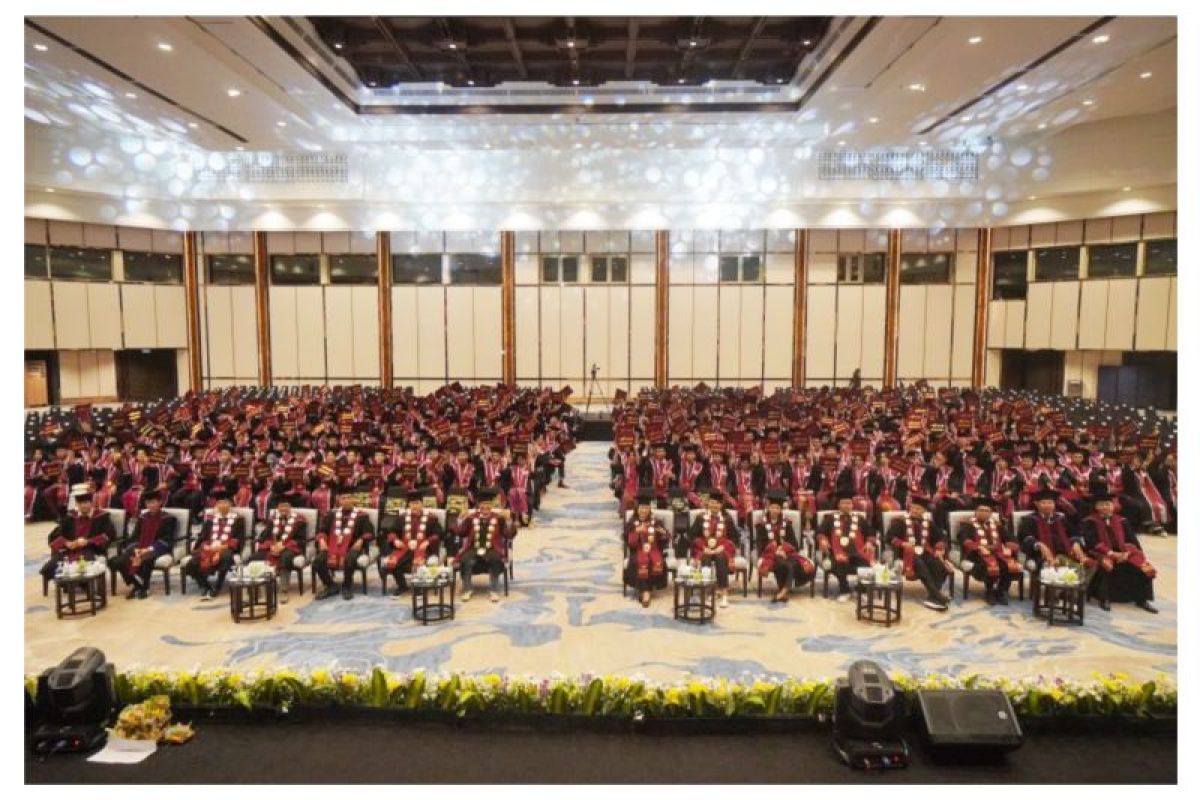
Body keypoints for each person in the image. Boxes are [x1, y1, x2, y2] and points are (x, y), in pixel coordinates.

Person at [1082, 490, 1157, 613]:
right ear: (1096, 507)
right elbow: (1092, 542)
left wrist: (1126, 554)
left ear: (1113, 506)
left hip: (1124, 553)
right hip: (1101, 553)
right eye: (1101, 504)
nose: (1105, 507)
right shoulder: (1089, 521)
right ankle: (1105, 598)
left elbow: (1132, 540)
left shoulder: (1122, 521)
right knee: (1105, 565)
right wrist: (1111, 554)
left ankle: (1142, 599)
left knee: (1144, 567)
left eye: (1108, 504)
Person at [887, 494, 952, 612]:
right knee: (920, 564)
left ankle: (932, 597)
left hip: (925, 551)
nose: (915, 510)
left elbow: (941, 537)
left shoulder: (928, 523)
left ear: (924, 511)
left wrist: (939, 548)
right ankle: (937, 595)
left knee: (938, 564)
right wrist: (903, 543)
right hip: (906, 553)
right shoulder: (900, 522)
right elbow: (889, 537)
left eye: (918, 509)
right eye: (913, 508)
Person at [40, 489, 116, 585]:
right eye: (80, 503)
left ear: (91, 503)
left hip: (90, 550)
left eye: (86, 502)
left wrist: (88, 541)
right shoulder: (70, 517)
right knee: (49, 568)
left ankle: (82, 585)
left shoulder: (101, 517)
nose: (83, 506)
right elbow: (56, 534)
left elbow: (109, 535)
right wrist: (66, 543)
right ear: (76, 504)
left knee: (82, 569)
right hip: (69, 551)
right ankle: (67, 584)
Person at [956, 499, 1019, 605]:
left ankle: (1001, 591)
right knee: (989, 565)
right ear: (976, 511)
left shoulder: (997, 525)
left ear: (991, 513)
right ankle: (989, 592)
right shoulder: (968, 525)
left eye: (987, 511)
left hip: (997, 552)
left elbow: (1010, 537)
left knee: (1008, 564)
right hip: (977, 555)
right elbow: (963, 539)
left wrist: (1009, 547)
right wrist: (978, 547)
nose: (984, 513)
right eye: (981, 510)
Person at [380, 490, 443, 596]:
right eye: (412, 504)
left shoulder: (431, 518)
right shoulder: (402, 518)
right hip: (405, 548)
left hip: (424, 549)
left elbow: (438, 534)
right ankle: (402, 586)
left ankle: (419, 587)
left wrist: (428, 541)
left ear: (422, 504)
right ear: (409, 505)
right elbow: (391, 531)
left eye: (417, 503)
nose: (415, 506)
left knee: (417, 563)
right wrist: (395, 540)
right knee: (393, 563)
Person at [815, 490, 876, 601]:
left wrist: (869, 542)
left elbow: (871, 533)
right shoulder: (830, 518)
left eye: (849, 503)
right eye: (843, 503)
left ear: (852, 505)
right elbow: (820, 532)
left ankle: (861, 590)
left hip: (858, 552)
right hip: (836, 553)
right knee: (839, 564)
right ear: (838, 505)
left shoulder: (860, 519)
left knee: (865, 564)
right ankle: (845, 590)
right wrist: (822, 540)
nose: (846, 506)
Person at [113, 491, 175, 599]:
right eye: (148, 503)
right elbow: (134, 536)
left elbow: (167, 539)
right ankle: (137, 584)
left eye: (153, 502)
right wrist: (136, 548)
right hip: (140, 547)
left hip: (158, 548)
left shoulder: (168, 519)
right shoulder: (143, 517)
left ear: (160, 502)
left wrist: (149, 549)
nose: (151, 505)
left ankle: (144, 587)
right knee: (118, 561)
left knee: (146, 558)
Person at [755, 491, 814, 603]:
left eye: (777, 508)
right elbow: (760, 543)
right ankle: (784, 591)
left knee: (790, 563)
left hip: (787, 553)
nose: (775, 510)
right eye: (772, 508)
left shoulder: (787, 524)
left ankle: (783, 591)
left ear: (781, 510)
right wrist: (775, 550)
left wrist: (783, 549)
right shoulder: (761, 525)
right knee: (783, 563)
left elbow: (794, 543)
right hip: (769, 554)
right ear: (768, 508)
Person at [184, 491, 243, 600]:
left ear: (230, 504)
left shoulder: (238, 520)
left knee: (225, 557)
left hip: (226, 548)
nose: (223, 505)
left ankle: (217, 587)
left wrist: (222, 547)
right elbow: (203, 537)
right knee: (191, 564)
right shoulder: (210, 521)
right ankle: (205, 586)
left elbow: (238, 538)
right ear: (216, 505)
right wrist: (206, 547)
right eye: (220, 503)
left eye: (225, 502)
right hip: (209, 547)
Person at [314, 494, 373, 600]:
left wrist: (361, 540)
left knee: (350, 559)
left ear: (353, 500)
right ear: (339, 501)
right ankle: (331, 585)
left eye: (349, 498)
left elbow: (369, 532)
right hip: (331, 547)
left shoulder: (362, 516)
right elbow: (321, 530)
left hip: (352, 547)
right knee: (317, 561)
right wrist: (322, 540)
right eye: (343, 498)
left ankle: (347, 586)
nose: (346, 500)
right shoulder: (331, 515)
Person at [454, 488, 508, 602]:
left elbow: (508, 534)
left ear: (491, 506)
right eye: (483, 505)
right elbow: (461, 532)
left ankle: (494, 590)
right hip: (473, 547)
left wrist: (508, 521)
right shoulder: (471, 518)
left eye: (488, 505)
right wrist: (460, 519)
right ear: (479, 505)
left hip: (492, 548)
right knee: (465, 559)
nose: (485, 507)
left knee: (495, 559)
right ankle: (467, 589)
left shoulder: (499, 518)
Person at [1018, 488, 1089, 573]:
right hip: (1039, 556)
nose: (1047, 505)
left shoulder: (1061, 518)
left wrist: (1076, 543)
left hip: (1064, 553)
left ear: (1054, 504)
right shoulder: (1029, 520)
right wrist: (1039, 545)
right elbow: (1025, 538)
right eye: (1044, 503)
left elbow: (1073, 533)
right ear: (1036, 504)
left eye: (1050, 503)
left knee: (1086, 564)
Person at [254, 495, 307, 603]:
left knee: (285, 557)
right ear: (277, 508)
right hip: (272, 546)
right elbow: (264, 536)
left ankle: (284, 590)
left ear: (290, 507)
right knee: (255, 557)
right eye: (281, 506)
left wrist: (284, 546)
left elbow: (301, 540)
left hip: (291, 548)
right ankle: (256, 588)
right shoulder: (272, 519)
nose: (283, 508)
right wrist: (270, 545)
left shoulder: (300, 520)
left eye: (286, 506)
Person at [689, 494, 738, 609]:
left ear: (721, 505)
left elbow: (735, 537)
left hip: (721, 548)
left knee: (721, 558)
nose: (714, 505)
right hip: (704, 548)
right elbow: (692, 535)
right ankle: (707, 590)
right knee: (704, 558)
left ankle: (724, 593)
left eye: (717, 503)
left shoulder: (727, 518)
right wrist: (703, 547)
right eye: (712, 502)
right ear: (708, 503)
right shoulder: (701, 518)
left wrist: (723, 547)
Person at [623, 490, 670, 607]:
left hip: (654, 550)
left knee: (655, 560)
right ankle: (646, 592)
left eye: (646, 508)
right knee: (640, 561)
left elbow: (666, 537)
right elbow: (625, 538)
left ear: (649, 509)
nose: (643, 510)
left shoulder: (656, 522)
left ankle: (645, 590)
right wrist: (635, 532)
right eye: (641, 508)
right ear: (637, 509)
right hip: (637, 550)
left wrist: (663, 534)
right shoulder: (632, 522)